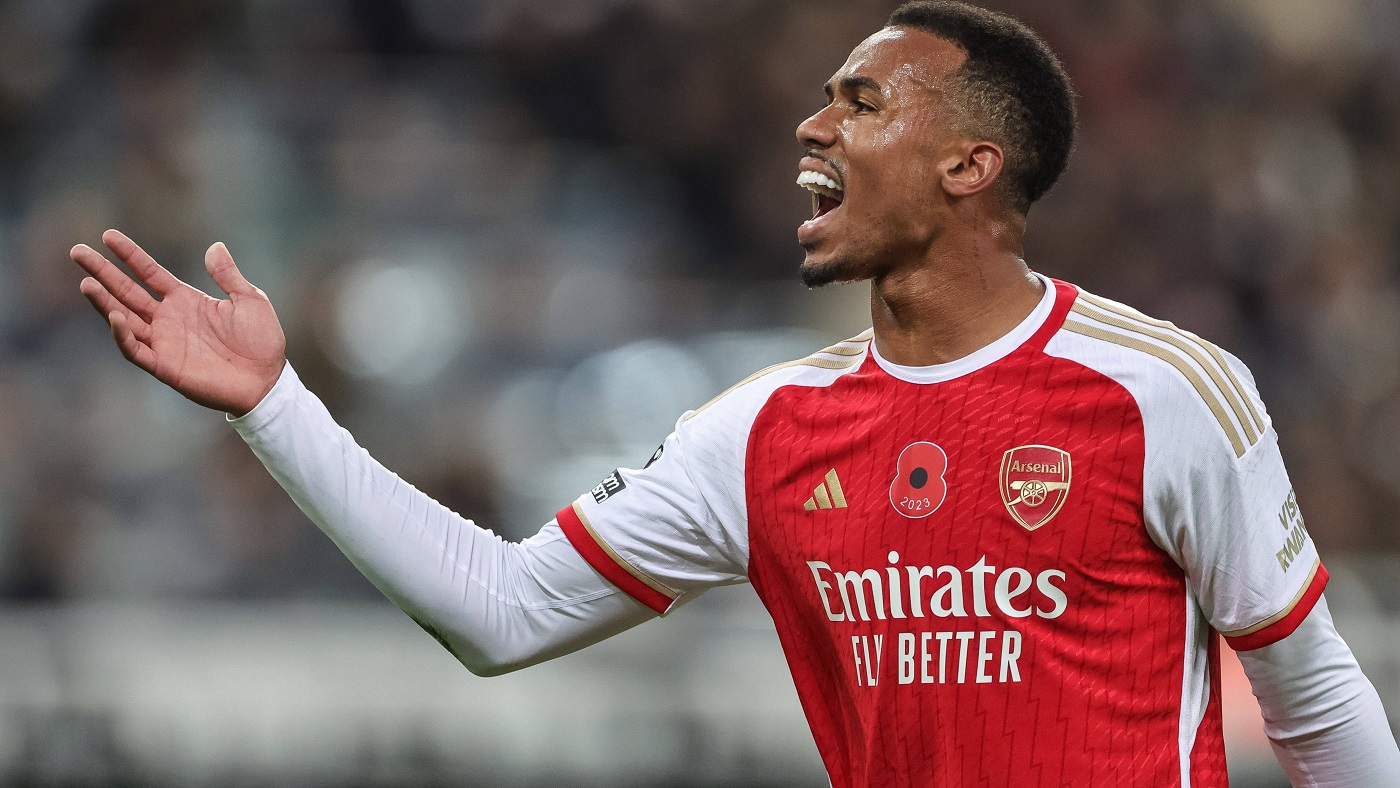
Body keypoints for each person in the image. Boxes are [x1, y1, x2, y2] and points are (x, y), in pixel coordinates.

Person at [69, 2, 1399, 785]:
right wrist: (274, 405)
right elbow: (501, 611)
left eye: (861, 103)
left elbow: (1316, 702)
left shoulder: (1164, 393)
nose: (812, 128)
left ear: (969, 166)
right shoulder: (763, 431)